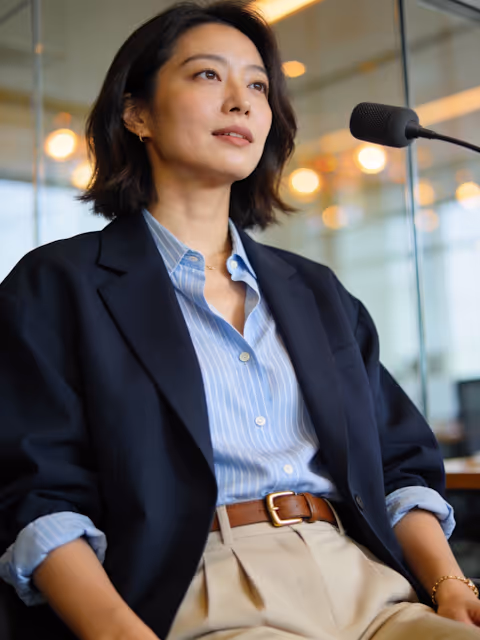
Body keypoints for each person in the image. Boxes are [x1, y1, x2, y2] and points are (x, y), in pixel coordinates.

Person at [0, 2, 479, 639]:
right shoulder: (57, 284)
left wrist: (450, 586)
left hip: (371, 584)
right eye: (207, 76)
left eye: (257, 84)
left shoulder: (317, 292)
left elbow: (398, 465)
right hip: (199, 590)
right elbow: (36, 492)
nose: (242, 101)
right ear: (135, 113)